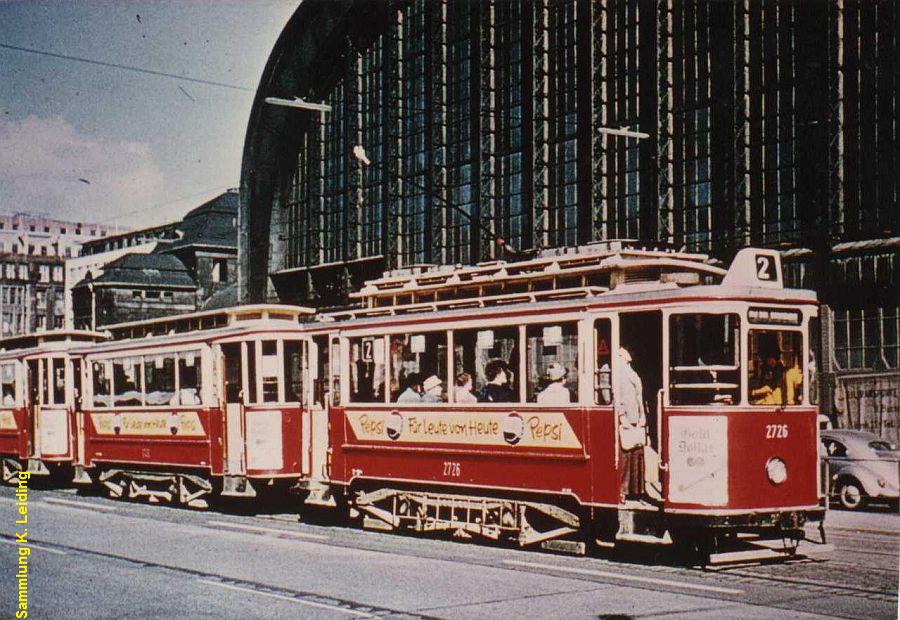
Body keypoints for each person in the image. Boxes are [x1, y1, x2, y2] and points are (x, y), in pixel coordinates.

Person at [615, 347, 648, 502]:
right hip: (628, 419)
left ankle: (638, 490)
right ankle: (623, 491)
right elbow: (617, 397)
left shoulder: (630, 371)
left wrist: (643, 416)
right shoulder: (619, 372)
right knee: (627, 456)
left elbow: (638, 396)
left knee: (637, 454)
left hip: (636, 418)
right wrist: (622, 418)